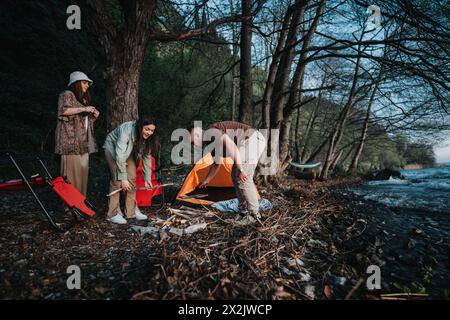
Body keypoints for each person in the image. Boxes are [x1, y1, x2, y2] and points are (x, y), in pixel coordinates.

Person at [189, 121, 267, 224]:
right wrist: (206, 180)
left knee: (243, 178)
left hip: (252, 139)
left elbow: (233, 147)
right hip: (247, 143)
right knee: (235, 177)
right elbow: (217, 163)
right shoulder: (210, 143)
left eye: (193, 142)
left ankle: (254, 215)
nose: (193, 145)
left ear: (197, 135)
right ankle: (243, 212)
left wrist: (242, 170)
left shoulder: (212, 132)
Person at [103, 116, 159, 224]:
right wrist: (123, 178)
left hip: (127, 151)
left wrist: (147, 178)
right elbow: (120, 155)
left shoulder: (149, 137)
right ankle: (113, 214)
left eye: (152, 130)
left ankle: (131, 211)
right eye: (147, 129)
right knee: (117, 179)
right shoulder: (126, 130)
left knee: (132, 178)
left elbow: (146, 157)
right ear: (140, 127)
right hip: (113, 149)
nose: (149, 132)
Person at [55, 71, 100, 196]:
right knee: (70, 176)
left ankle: (80, 205)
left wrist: (93, 116)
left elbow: (82, 123)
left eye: (88, 83)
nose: (87, 86)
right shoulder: (67, 94)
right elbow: (63, 111)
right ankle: (69, 208)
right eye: (84, 82)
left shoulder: (83, 99)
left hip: (83, 144)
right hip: (70, 144)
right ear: (76, 84)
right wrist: (84, 109)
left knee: (82, 176)